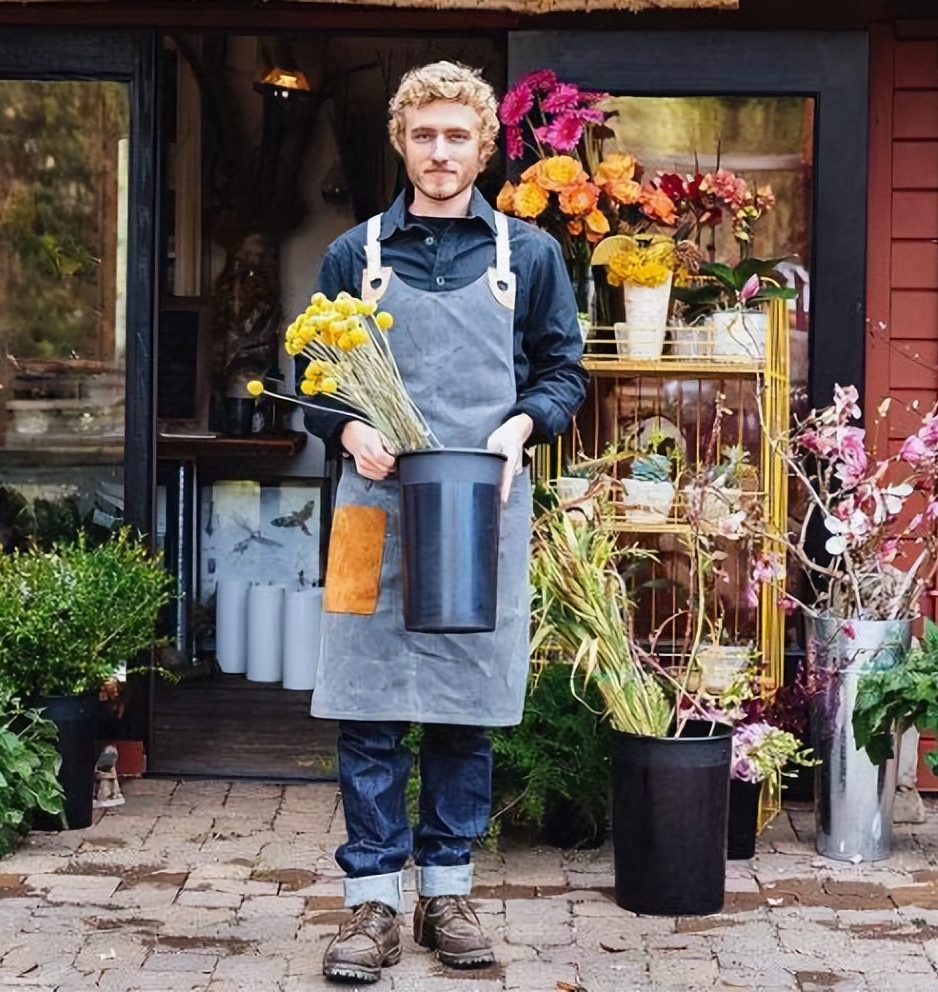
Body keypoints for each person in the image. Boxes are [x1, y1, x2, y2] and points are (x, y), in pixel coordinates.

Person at [301, 62, 587, 985]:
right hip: (373, 515)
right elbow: (313, 387)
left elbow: (562, 375)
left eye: (456, 135)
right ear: (401, 141)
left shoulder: (528, 258)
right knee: (369, 709)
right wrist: (348, 428)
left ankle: (448, 895)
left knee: (465, 709)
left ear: (483, 145)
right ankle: (373, 907)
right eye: (423, 135)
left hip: (481, 511)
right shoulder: (357, 256)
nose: (439, 152)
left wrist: (517, 426)